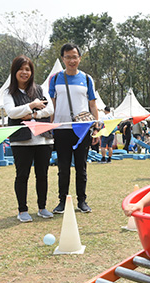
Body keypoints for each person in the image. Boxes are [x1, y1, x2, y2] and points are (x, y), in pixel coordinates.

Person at [3, 55, 55, 222]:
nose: (24, 72)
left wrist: (33, 114)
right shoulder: (9, 93)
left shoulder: (40, 89)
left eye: (28, 69)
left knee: (43, 175)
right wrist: (33, 104)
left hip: (43, 139)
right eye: (21, 69)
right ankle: (22, 210)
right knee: (22, 175)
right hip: (21, 141)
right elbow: (12, 112)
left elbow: (50, 109)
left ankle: (42, 207)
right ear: (14, 71)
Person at [49, 43, 99, 214]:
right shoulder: (55, 79)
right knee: (63, 168)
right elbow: (52, 107)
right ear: (63, 59)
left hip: (82, 129)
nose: (72, 60)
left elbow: (93, 105)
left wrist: (96, 128)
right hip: (61, 129)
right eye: (68, 57)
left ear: (79, 58)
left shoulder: (86, 79)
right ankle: (62, 201)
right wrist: (51, 127)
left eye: (74, 56)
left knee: (81, 167)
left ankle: (82, 201)